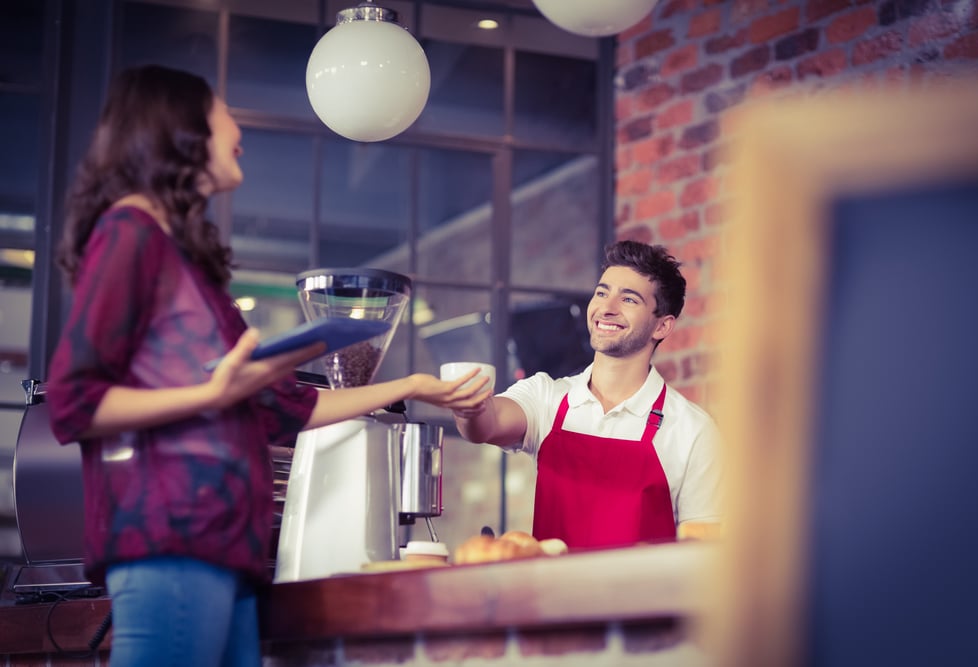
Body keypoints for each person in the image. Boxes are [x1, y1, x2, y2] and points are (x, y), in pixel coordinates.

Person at [46, 64, 487, 667]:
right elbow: (74, 403)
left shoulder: (180, 260)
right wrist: (209, 394)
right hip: (172, 541)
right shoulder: (130, 234)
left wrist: (413, 386)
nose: (237, 128)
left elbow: (287, 408)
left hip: (226, 549)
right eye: (223, 110)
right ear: (180, 129)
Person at [452, 240, 722, 549]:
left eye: (629, 299)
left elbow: (702, 554)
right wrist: (467, 407)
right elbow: (486, 424)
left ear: (661, 326)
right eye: (602, 292)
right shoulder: (546, 398)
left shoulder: (692, 431)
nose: (607, 308)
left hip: (646, 599)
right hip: (549, 597)